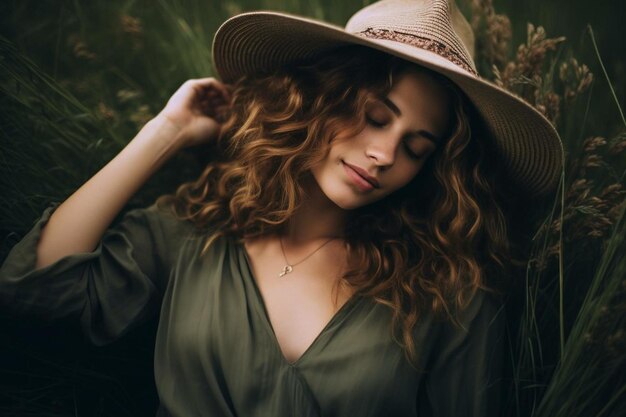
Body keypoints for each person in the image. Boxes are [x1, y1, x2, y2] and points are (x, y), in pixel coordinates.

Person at [0, 0, 562, 416]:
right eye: (374, 115)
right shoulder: (196, 232)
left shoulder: (449, 290)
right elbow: (34, 286)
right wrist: (165, 132)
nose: (385, 153)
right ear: (319, 97)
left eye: (417, 147)